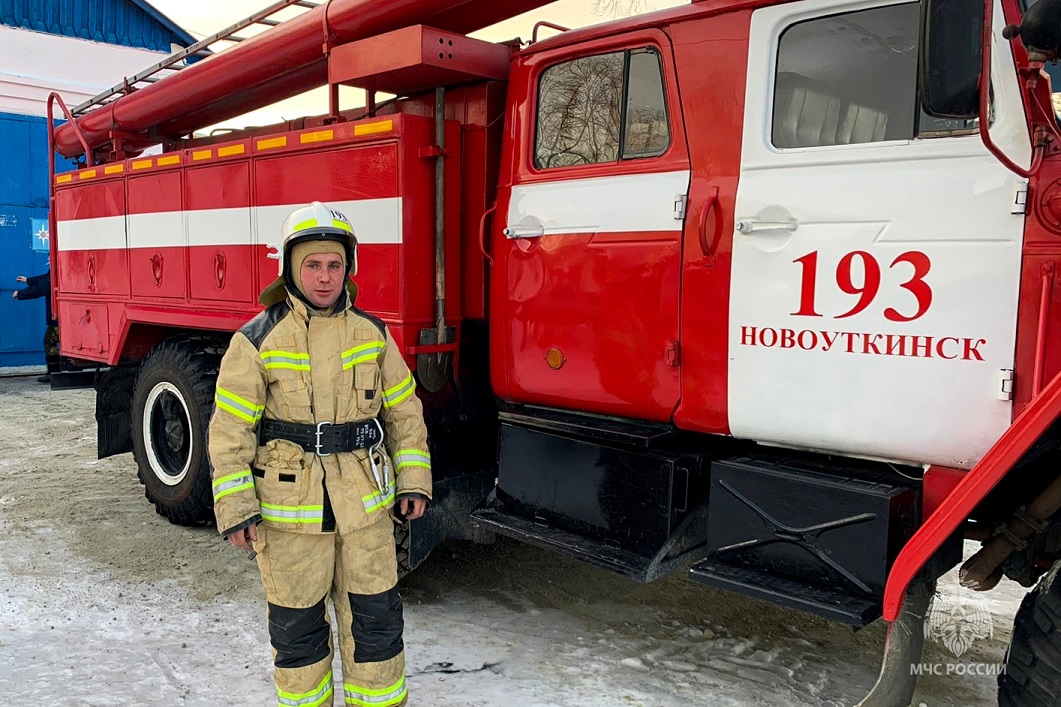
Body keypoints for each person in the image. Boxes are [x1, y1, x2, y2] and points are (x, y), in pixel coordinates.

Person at [208, 202, 431, 707]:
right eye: (312, 265)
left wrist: (414, 480)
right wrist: (237, 508)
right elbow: (230, 431)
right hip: (289, 516)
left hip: (365, 510)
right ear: (290, 268)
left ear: (348, 268)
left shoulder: (372, 334)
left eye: (334, 264)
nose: (325, 277)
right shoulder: (256, 340)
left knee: (376, 627)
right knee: (299, 635)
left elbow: (404, 412)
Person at [12, 268, 59, 383]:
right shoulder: (58, 268)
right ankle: (55, 372)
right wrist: (28, 280)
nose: (48, 259)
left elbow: (43, 286)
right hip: (62, 315)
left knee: (49, 341)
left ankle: (54, 373)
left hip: (59, 317)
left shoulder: (57, 267)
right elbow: (46, 278)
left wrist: (20, 294)